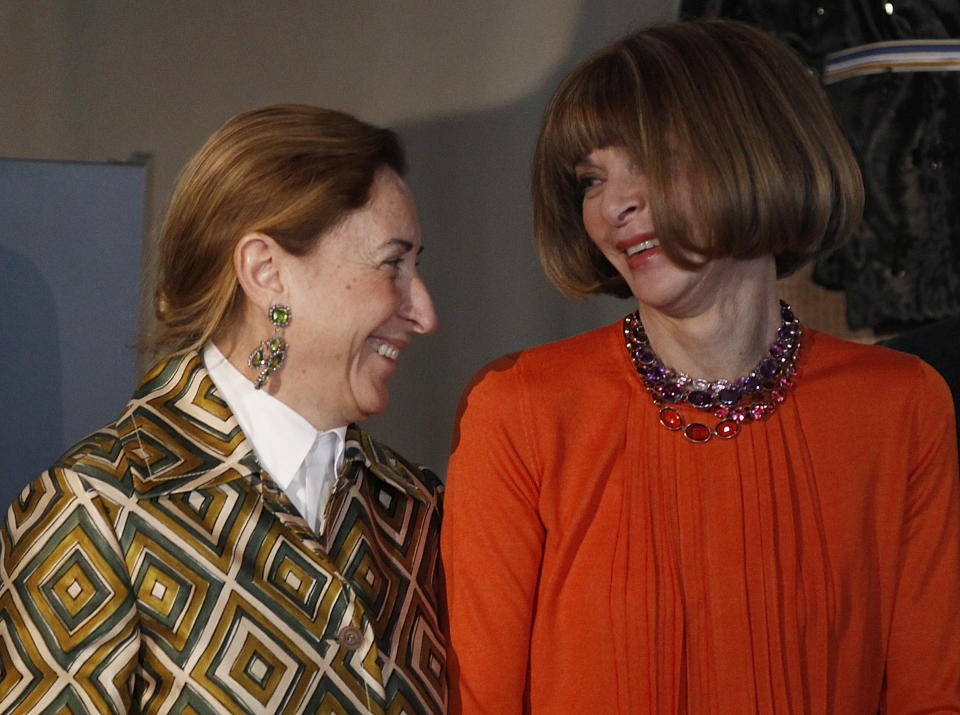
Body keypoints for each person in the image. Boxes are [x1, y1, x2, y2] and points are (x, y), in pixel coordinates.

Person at [441, 19, 960, 713]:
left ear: (757, 154)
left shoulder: (902, 406)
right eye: (591, 178)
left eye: (650, 162)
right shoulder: (519, 410)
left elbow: (931, 698)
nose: (615, 204)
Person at [0, 105, 445, 714]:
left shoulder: (415, 509)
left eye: (418, 265)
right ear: (267, 273)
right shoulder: (101, 507)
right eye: (392, 263)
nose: (424, 311)